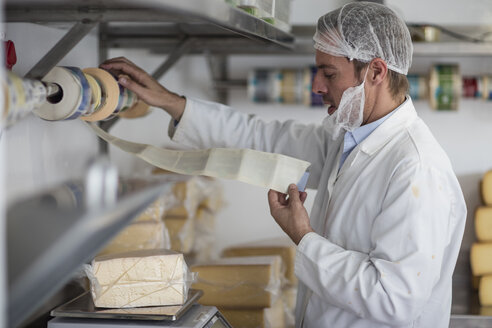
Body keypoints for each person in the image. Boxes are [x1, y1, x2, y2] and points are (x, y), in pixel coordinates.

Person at [101, 2, 466, 327]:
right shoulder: (349, 139)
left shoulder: (415, 168)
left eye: (329, 73)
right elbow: (262, 139)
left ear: (375, 72)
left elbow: (393, 299)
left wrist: (303, 237)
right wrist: (169, 101)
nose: (316, 85)